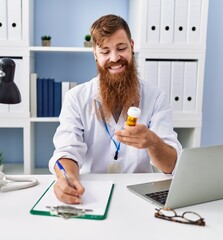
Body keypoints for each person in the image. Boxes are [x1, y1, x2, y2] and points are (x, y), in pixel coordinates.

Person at [48, 14, 182, 204]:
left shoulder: (156, 97)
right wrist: (66, 180)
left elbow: (171, 166)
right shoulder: (76, 98)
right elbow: (68, 151)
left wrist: (152, 142)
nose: (115, 58)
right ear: (95, 54)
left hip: (140, 196)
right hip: (90, 194)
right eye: (105, 51)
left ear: (132, 46)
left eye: (121, 48)